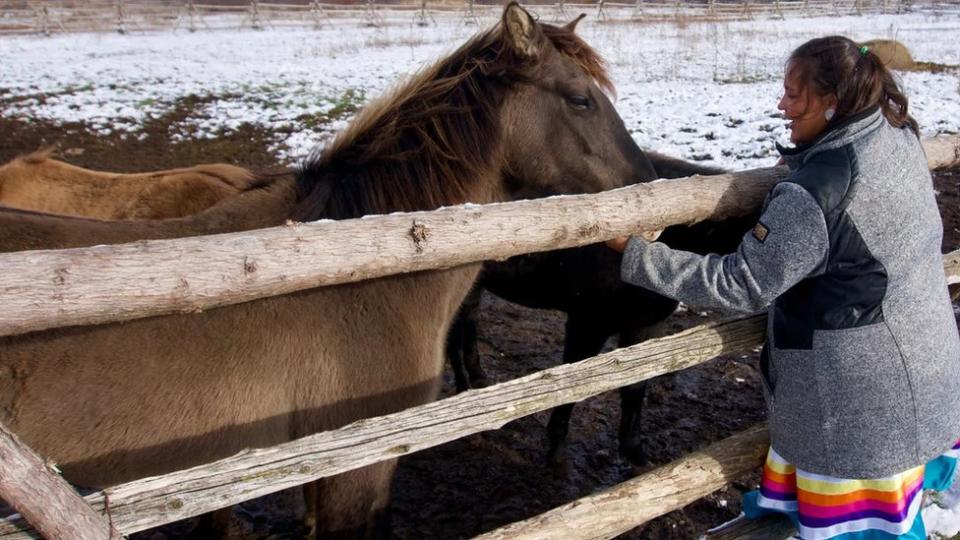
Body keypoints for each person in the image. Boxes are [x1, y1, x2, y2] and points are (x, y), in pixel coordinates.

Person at [607, 36, 960, 539]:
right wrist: (801, 164)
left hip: (862, 406)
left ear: (831, 102)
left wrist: (638, 255)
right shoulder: (894, 133)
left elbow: (740, 282)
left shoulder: (813, 195)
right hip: (924, 372)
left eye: (794, 95)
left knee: (858, 531)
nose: (781, 105)